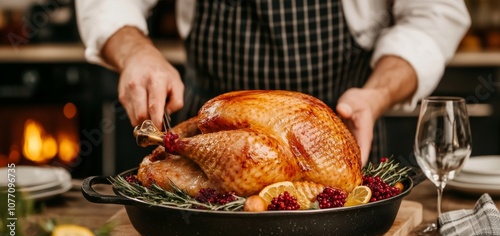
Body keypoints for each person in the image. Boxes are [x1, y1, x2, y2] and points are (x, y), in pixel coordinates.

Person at [75, 0, 470, 165]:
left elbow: (434, 13)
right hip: (207, 140)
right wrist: (135, 52)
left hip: (343, 132)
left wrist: (377, 94)